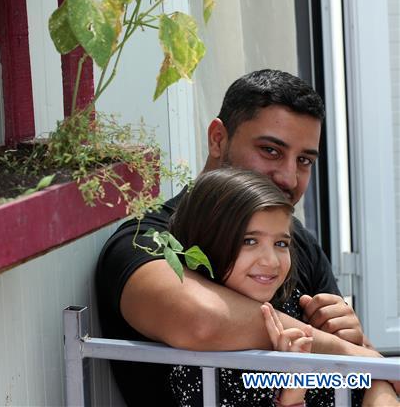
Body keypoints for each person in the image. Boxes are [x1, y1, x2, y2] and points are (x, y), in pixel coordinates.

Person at [95, 70, 385, 406]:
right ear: (218, 138)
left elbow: (368, 366)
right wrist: (341, 351)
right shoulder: (146, 239)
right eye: (271, 151)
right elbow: (201, 321)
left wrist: (359, 353)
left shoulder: (297, 242)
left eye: (304, 160)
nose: (289, 177)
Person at [166, 168, 396, 407]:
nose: (272, 261)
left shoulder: (294, 304)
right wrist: (293, 394)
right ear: (206, 242)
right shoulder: (202, 362)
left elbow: (369, 376)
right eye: (250, 241)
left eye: (281, 243)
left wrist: (359, 351)